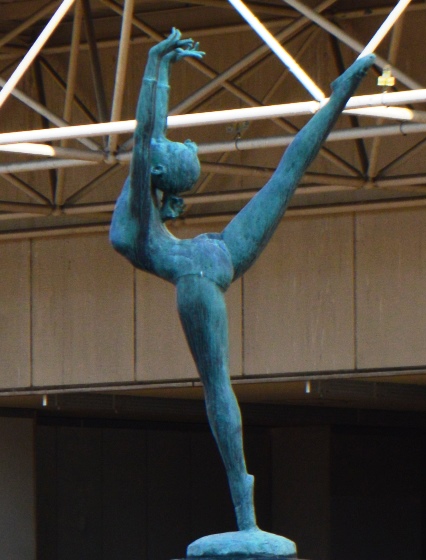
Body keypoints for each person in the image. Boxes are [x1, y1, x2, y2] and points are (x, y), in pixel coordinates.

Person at [110, 28, 374, 532]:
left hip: (197, 272)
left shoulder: (142, 208)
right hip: (217, 254)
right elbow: (151, 131)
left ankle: (246, 513)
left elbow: (146, 134)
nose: (162, 141)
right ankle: (339, 95)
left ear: (158, 170)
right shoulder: (144, 204)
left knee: (218, 389)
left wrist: (155, 65)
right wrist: (158, 66)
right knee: (286, 174)